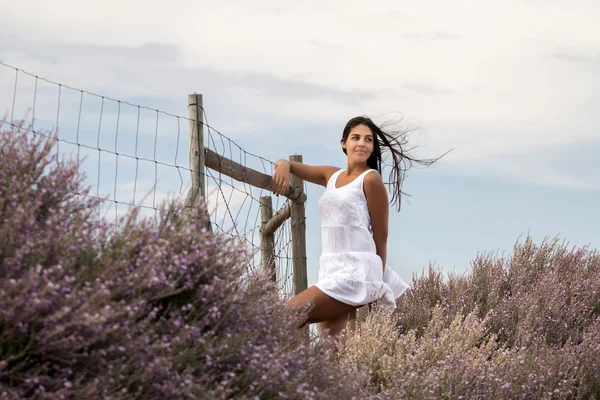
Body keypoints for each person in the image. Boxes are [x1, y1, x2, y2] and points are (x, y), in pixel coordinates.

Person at [271, 116, 440, 339]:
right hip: (330, 269)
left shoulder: (370, 179)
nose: (362, 143)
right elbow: (292, 166)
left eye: (368, 140)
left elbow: (381, 236)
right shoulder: (331, 175)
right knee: (339, 351)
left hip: (355, 271)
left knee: (286, 315)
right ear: (344, 143)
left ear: (372, 148)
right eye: (356, 138)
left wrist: (376, 281)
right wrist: (283, 164)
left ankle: (280, 373)